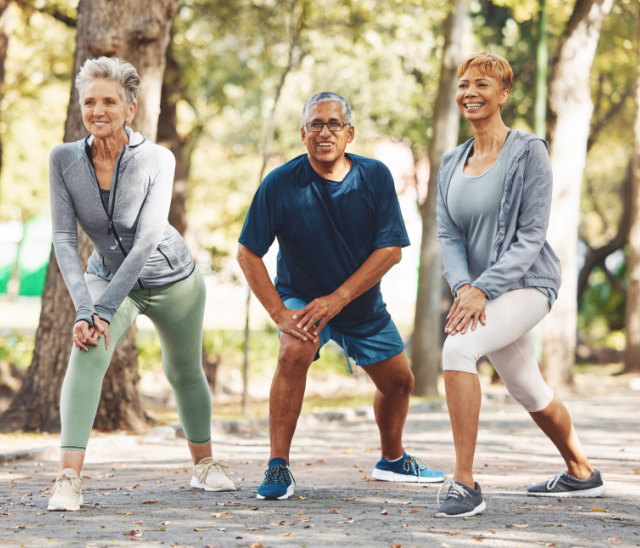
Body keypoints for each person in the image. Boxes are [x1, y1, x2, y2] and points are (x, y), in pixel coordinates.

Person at [237, 91, 448, 500]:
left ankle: (392, 459)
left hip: (360, 304)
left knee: (401, 384)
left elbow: (390, 250)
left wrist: (338, 299)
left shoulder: (375, 176)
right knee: (292, 351)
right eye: (315, 124)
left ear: (349, 133)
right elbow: (248, 253)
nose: (325, 132)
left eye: (334, 124)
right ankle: (277, 466)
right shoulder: (280, 183)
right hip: (301, 298)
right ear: (303, 134)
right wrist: (281, 314)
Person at [47, 57, 235, 512]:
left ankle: (205, 465)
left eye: (109, 101)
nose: (98, 110)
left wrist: (103, 309)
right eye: (89, 101)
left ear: (130, 108)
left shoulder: (157, 159)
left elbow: (149, 238)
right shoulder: (64, 160)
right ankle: (68, 478)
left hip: (175, 280)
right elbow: (63, 239)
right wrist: (87, 311)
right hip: (110, 276)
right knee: (88, 348)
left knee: (183, 371)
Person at [434, 52, 605, 518]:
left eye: (483, 85)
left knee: (458, 349)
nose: (470, 92)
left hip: (527, 285)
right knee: (528, 388)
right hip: (479, 292)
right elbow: (448, 233)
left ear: (504, 93)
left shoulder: (529, 151)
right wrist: (464, 285)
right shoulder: (451, 161)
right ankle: (582, 472)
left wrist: (482, 289)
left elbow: (531, 236)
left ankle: (464, 482)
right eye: (465, 83)